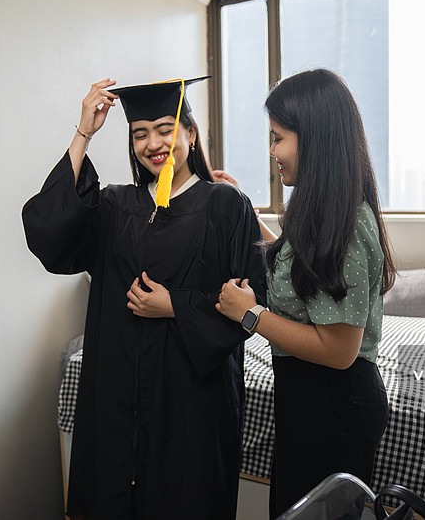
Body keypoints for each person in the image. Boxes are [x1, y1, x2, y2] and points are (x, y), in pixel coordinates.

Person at [22, 76, 267, 519]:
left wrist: (175, 305)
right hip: (116, 392)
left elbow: (251, 299)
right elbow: (50, 231)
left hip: (190, 399)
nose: (152, 142)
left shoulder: (227, 205)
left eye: (164, 129)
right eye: (139, 133)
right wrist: (84, 133)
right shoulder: (117, 206)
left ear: (189, 134)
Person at [215, 68, 397, 518]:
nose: (271, 150)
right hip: (309, 400)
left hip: (335, 405)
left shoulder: (349, 225)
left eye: (278, 138)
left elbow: (338, 351)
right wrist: (244, 208)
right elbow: (294, 262)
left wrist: (251, 314)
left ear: (313, 138)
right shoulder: (321, 210)